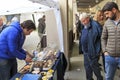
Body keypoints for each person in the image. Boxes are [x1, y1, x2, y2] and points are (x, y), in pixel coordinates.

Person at [80, 12, 103, 80]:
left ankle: (99, 78)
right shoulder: (85, 25)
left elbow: (102, 38)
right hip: (86, 52)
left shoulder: (95, 25)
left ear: (88, 18)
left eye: (84, 21)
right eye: (82, 21)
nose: (83, 23)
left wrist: (98, 50)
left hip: (93, 52)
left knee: (95, 68)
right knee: (87, 68)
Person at [101, 2, 120, 80]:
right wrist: (105, 51)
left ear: (114, 10)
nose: (106, 16)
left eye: (107, 13)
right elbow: (103, 38)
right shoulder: (107, 23)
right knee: (108, 78)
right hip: (109, 57)